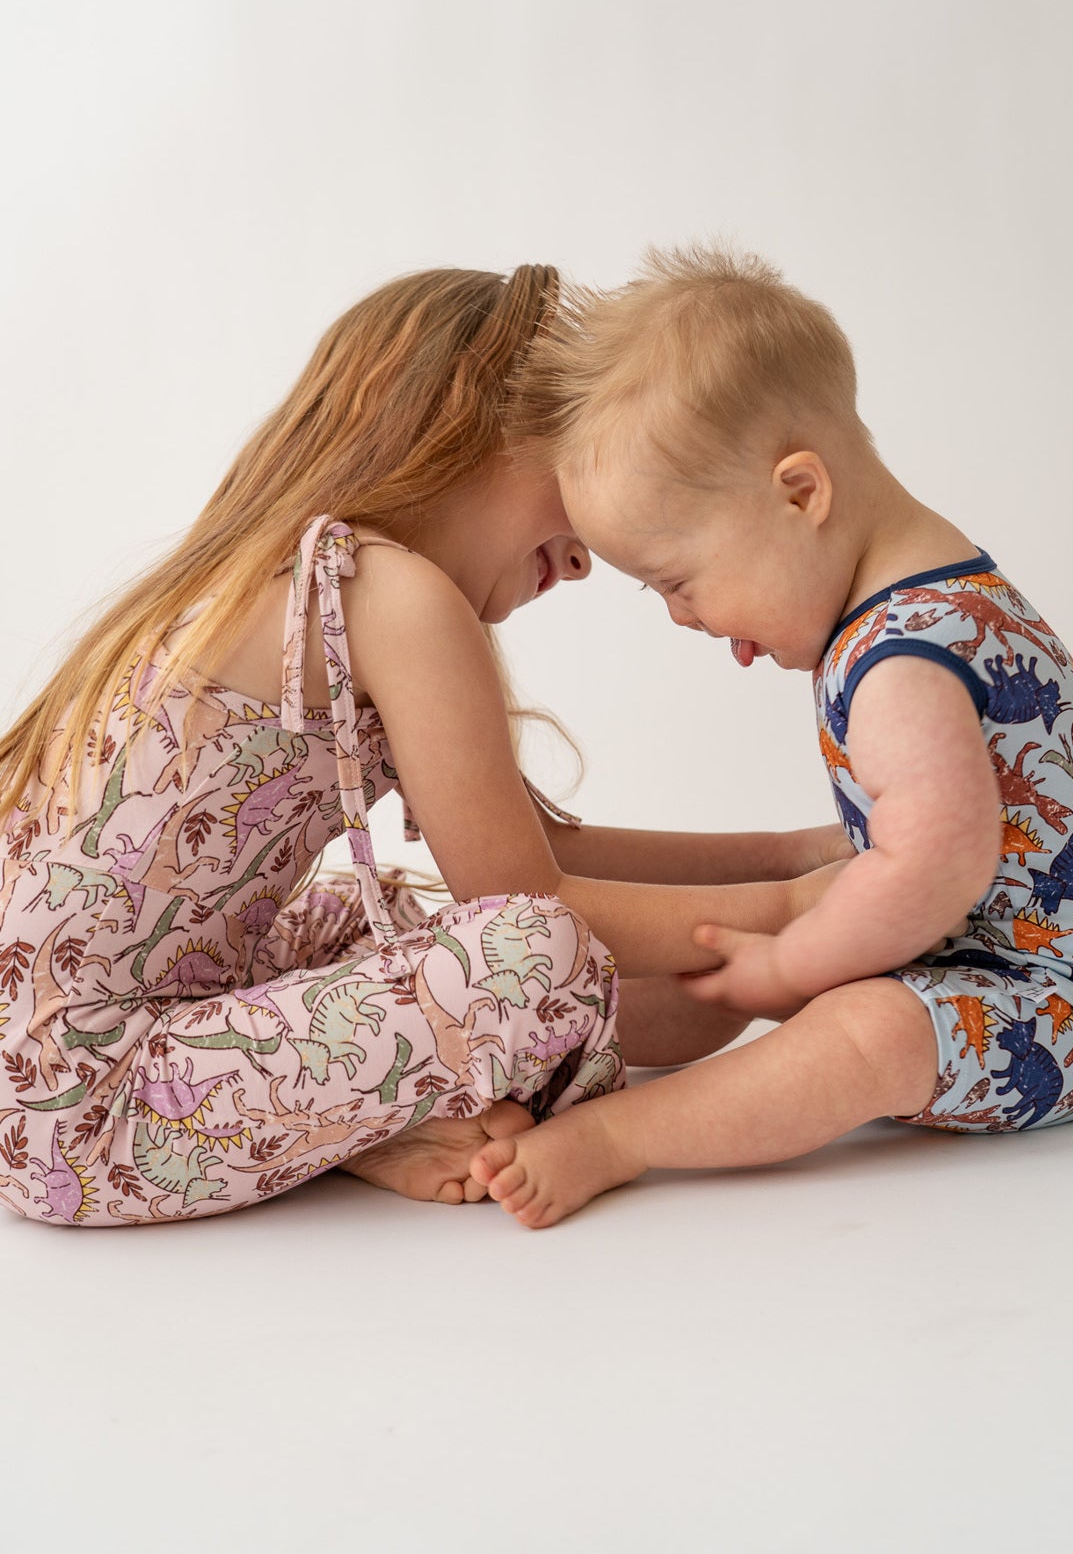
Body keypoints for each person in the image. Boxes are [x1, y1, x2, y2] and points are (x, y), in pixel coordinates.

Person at [0, 263, 854, 1228]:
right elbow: (527, 899)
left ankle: (352, 1127)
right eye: (573, 466)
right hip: (83, 1114)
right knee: (538, 951)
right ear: (472, 425)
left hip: (46, 1071)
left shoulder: (295, 568)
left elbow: (543, 851)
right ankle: (364, 1127)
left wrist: (794, 854)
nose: (585, 555)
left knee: (368, 916)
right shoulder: (390, 592)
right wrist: (796, 911)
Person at [469, 243, 1073, 1227]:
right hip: (962, 958)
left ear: (801, 493)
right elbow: (890, 854)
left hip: (1069, 1011)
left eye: (677, 580)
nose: (683, 618)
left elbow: (937, 864)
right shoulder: (916, 600)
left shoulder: (902, 659)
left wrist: (797, 963)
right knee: (729, 953)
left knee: (861, 1029)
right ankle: (556, 1067)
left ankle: (621, 1136)